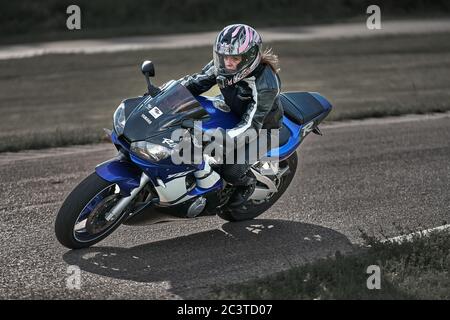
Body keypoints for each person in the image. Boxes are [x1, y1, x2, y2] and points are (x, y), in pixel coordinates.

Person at [180, 23, 283, 207]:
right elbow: (196, 83)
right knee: (186, 134)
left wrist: (220, 137)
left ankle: (247, 183)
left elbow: (251, 125)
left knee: (230, 171)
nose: (228, 62)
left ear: (250, 57)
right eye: (224, 56)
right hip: (232, 110)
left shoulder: (265, 84)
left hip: (263, 128)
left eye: (235, 58)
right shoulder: (223, 67)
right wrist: (165, 94)